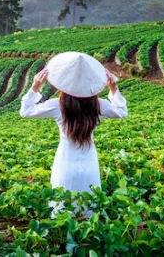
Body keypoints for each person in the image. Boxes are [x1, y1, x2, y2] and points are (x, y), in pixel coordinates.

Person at [20, 51, 128, 217]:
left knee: (62, 212)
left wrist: (35, 87)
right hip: (89, 163)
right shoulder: (98, 105)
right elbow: (122, 111)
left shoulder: (58, 105)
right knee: (88, 211)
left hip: (65, 163)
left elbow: (26, 111)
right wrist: (113, 88)